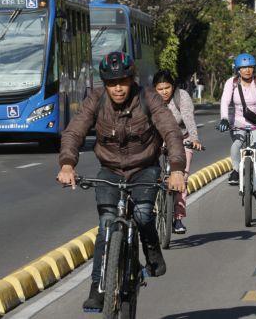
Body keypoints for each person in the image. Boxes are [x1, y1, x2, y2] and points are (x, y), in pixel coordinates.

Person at [56, 52, 186, 311]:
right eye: (111, 82)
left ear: (132, 79)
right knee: (106, 224)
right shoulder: (96, 99)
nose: (117, 88)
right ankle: (97, 287)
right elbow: (75, 130)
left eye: (123, 81)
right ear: (104, 83)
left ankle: (151, 251)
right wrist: (68, 164)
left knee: (143, 214)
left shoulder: (148, 98)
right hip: (110, 169)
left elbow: (170, 131)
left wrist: (177, 169)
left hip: (144, 167)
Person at [218, 53, 256, 207]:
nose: (247, 70)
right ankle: (236, 171)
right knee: (237, 144)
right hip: (238, 122)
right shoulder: (231, 83)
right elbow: (225, 101)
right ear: (238, 69)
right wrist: (224, 119)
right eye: (243, 68)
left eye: (250, 67)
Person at [153, 69, 203, 234]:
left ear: (173, 86)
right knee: (149, 172)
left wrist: (194, 139)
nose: (164, 92)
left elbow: (188, 118)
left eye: (167, 87)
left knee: (182, 178)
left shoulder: (181, 96)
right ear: (154, 89)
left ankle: (178, 218)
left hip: (182, 139)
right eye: (160, 89)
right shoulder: (150, 99)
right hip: (158, 139)